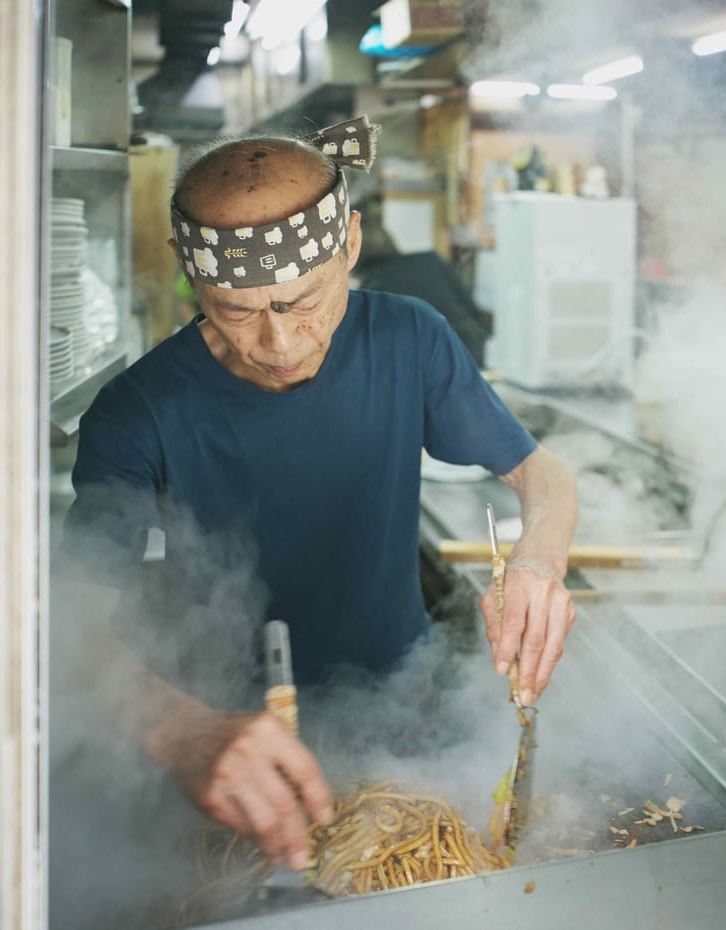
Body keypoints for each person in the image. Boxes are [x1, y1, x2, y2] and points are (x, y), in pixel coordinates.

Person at [60, 118, 579, 872]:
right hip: (227, 743)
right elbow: (68, 624)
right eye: (237, 310)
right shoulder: (138, 410)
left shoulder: (410, 338)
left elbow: (543, 473)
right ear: (189, 273)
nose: (280, 343)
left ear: (351, 246)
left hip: (400, 710)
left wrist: (538, 559)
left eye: (304, 302)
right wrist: (176, 729)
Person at [354, 194, 492, 366]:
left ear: (354, 256)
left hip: (434, 368)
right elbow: (472, 311)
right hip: (475, 353)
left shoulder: (372, 288)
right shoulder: (430, 259)